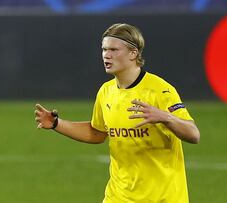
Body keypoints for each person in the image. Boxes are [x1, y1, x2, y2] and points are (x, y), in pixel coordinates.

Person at [34, 23, 200, 203]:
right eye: (104, 49)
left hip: (162, 197)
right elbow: (97, 132)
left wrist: (165, 117)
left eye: (114, 49)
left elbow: (193, 134)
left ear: (133, 53)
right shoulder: (106, 92)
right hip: (118, 196)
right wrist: (57, 124)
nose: (106, 54)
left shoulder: (160, 91)